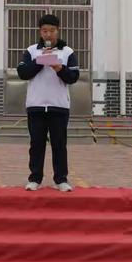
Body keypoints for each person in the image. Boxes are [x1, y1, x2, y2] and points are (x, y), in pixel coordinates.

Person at [17, 14, 80, 192]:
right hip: (36, 106)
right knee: (36, 144)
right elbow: (23, 73)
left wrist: (59, 68)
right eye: (45, 31)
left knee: (59, 144)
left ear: (57, 31)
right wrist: (41, 61)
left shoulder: (67, 52)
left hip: (58, 106)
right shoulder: (31, 51)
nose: (48, 34)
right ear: (40, 32)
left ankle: (61, 179)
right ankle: (35, 178)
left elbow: (74, 77)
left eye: (52, 31)